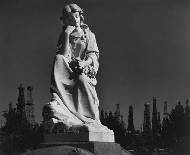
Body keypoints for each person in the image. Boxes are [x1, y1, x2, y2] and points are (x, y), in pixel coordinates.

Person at [42, 3, 109, 132]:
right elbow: (63, 54)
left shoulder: (89, 35)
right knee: (58, 59)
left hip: (82, 69)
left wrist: (83, 64)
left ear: (80, 16)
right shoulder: (65, 34)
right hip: (68, 68)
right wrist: (67, 34)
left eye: (77, 16)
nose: (75, 20)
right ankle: (59, 99)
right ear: (67, 21)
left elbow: (93, 55)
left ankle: (88, 117)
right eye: (71, 19)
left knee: (81, 79)